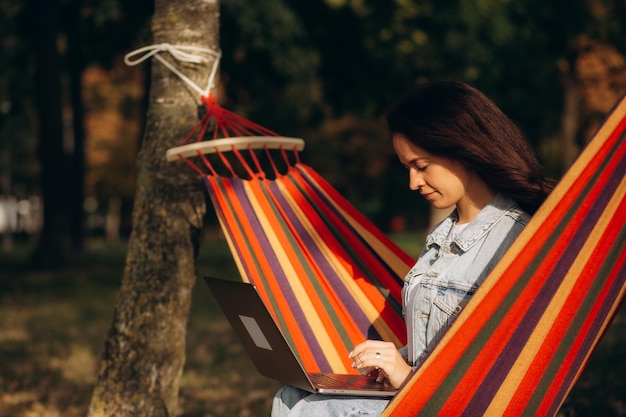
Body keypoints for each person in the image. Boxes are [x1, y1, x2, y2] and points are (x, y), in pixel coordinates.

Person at [271, 80, 555, 417]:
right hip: (417, 395)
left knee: (310, 411)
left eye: (421, 166)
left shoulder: (516, 242)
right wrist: (398, 359)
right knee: (291, 395)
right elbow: (439, 343)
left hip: (450, 407)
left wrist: (408, 379)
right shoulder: (442, 235)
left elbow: (502, 369)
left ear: (464, 151)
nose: (413, 183)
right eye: (407, 169)